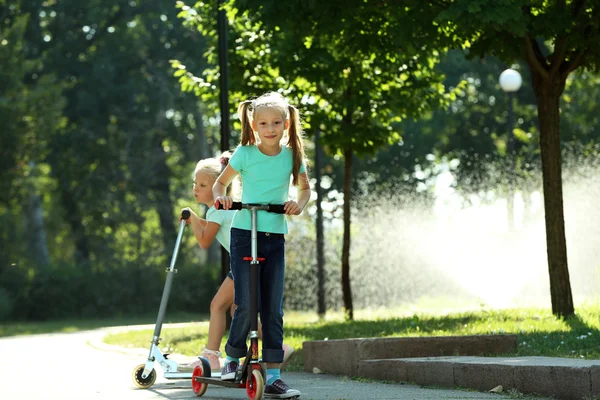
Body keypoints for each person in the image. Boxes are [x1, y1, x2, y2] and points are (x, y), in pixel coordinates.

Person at [213, 91, 310, 398]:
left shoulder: (293, 155)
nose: (271, 128)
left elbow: (305, 189)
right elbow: (220, 183)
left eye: (277, 123)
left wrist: (299, 203)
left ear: (286, 123)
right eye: (264, 123)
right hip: (244, 233)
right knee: (246, 302)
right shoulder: (244, 153)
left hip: (274, 235)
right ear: (254, 125)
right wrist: (224, 196)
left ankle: (274, 375)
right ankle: (231, 357)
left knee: (272, 307)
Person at [179, 153, 295, 374]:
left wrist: (193, 217)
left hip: (243, 264)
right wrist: (197, 219)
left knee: (217, 306)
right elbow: (211, 227)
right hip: (247, 260)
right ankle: (280, 346)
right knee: (237, 309)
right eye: (195, 183)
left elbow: (204, 240)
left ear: (218, 187)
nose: (196, 188)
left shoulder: (218, 209)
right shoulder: (223, 210)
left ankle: (211, 356)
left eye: (203, 184)